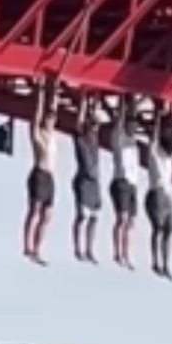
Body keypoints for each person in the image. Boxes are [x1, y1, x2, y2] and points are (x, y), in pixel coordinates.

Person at [23, 78, 57, 263]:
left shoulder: (51, 135)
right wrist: (41, 93)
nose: (51, 121)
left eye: (53, 119)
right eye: (49, 119)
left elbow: (53, 108)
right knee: (35, 210)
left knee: (47, 216)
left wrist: (54, 89)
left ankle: (37, 248)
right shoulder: (38, 134)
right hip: (40, 173)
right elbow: (36, 115)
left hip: (50, 177)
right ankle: (28, 246)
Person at [142, 105, 172, 278]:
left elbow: (170, 133)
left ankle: (166, 264)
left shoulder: (169, 158)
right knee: (159, 229)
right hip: (156, 194)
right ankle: (156, 262)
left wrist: (168, 117)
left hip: (166, 196)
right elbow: (155, 137)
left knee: (169, 229)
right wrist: (157, 119)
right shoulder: (155, 151)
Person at [109, 97, 139, 267]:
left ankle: (126, 254)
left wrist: (133, 104)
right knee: (122, 218)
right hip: (121, 182)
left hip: (132, 185)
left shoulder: (133, 142)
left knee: (131, 222)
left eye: (135, 126)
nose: (134, 128)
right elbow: (120, 120)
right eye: (131, 125)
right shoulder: (119, 136)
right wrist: (122, 102)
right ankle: (118, 252)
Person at [71, 94, 102, 262]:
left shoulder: (93, 138)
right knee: (82, 216)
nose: (95, 127)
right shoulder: (80, 138)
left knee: (94, 218)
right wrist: (83, 103)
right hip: (84, 179)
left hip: (94, 182)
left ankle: (89, 250)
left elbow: (94, 117)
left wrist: (93, 103)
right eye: (93, 124)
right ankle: (78, 249)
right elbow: (78, 122)